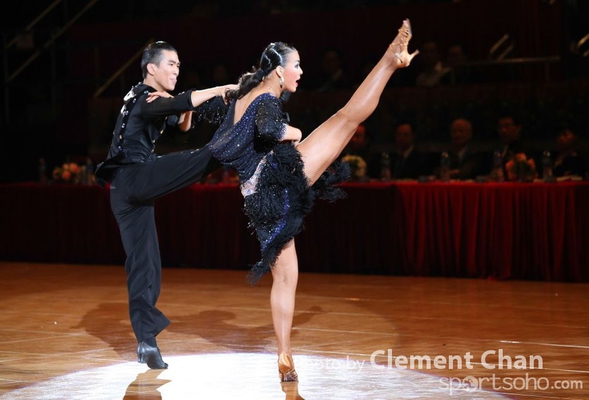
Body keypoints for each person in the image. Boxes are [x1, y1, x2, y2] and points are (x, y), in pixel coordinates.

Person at [208, 20, 418, 382]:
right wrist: (295, 131)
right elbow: (270, 130)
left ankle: (284, 354)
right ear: (279, 70)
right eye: (297, 65)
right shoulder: (265, 98)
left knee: (285, 278)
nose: (301, 72)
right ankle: (389, 60)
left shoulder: (242, 96)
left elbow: (225, 132)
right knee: (346, 118)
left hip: (258, 199)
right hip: (277, 180)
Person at [94, 41, 237, 370]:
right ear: (151, 68)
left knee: (145, 268)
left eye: (178, 65)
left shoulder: (150, 99)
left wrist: (182, 107)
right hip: (134, 177)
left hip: (124, 191)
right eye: (170, 64)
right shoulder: (145, 99)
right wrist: (220, 90)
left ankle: (146, 341)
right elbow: (178, 104)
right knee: (203, 158)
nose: (176, 70)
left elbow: (182, 125)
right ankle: (244, 136)